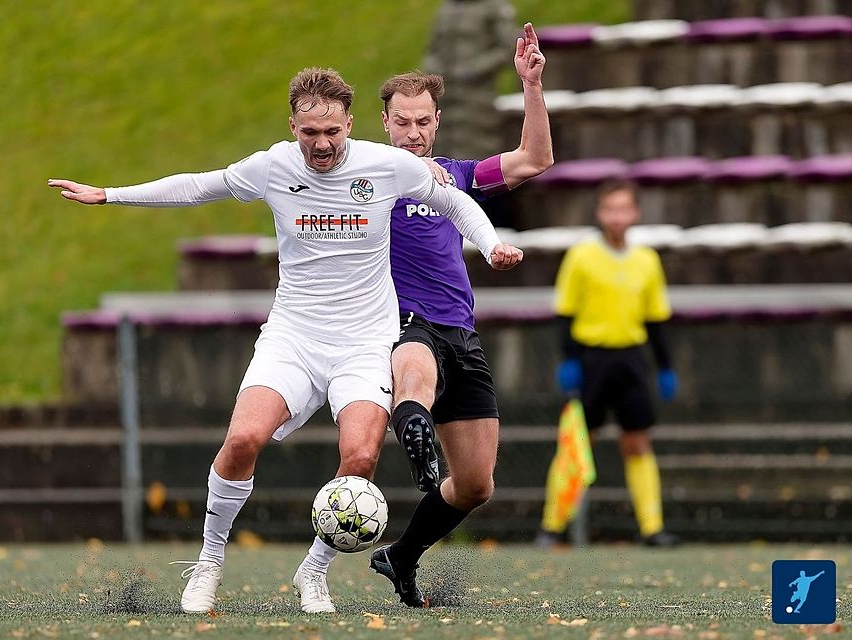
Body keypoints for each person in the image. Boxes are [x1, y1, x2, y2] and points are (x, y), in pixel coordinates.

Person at [48, 67, 523, 615]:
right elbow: (200, 186)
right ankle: (208, 562)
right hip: (293, 337)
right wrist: (110, 195)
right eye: (309, 133)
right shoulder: (273, 166)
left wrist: (489, 243)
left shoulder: (387, 165)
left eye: (332, 132)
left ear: (350, 124)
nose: (321, 144)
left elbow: (456, 202)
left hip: (365, 342)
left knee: (361, 454)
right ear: (293, 126)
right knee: (242, 440)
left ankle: (314, 570)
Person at [367, 23, 552, 607]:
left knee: (474, 485)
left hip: (461, 334)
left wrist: (531, 85)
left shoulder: (459, 175)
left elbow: (535, 159)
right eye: (402, 121)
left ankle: (400, 557)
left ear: (437, 122)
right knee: (415, 375)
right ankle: (413, 426)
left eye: (423, 122)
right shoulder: (362, 179)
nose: (413, 133)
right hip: (403, 323)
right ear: (384, 123)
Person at [537, 179, 680, 548]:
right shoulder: (581, 257)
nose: (617, 216)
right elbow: (565, 313)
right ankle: (553, 526)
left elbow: (656, 319)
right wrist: (569, 360)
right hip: (592, 360)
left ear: (635, 213)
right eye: (610, 208)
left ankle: (652, 528)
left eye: (624, 208)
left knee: (638, 443)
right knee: (576, 445)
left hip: (631, 361)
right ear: (600, 213)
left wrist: (665, 366)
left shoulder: (646, 260)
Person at [423, 0, 517, 160]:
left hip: (475, 96)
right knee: (439, 146)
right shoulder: (448, 7)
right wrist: (433, 70)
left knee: (474, 148)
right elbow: (433, 47)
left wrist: (475, 69)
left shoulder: (494, 7)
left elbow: (508, 49)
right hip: (444, 94)